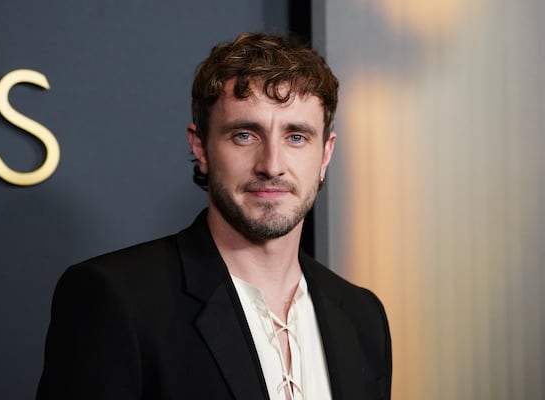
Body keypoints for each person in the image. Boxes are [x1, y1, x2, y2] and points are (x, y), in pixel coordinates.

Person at [36, 32, 391, 400]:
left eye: (296, 137)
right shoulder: (118, 300)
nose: (271, 165)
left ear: (326, 154)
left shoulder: (362, 318)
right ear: (200, 147)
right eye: (244, 135)